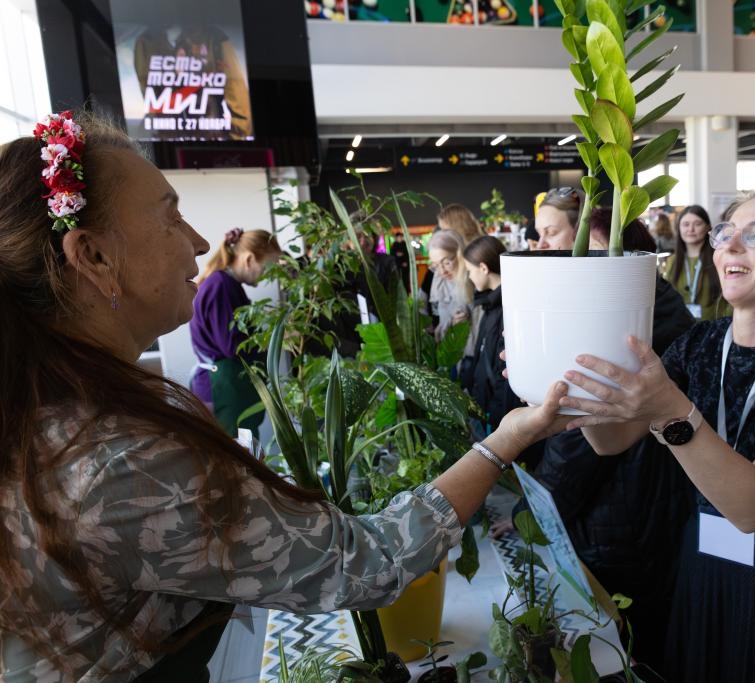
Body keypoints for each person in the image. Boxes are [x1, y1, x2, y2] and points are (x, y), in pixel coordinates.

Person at [0, 111, 568, 680]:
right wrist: (506, 439)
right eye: (171, 218)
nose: (198, 242)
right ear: (94, 257)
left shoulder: (47, 418)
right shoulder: (122, 464)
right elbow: (367, 562)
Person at [557, 188, 755, 681]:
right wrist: (566, 381)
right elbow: (610, 442)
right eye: (726, 233)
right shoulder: (700, 342)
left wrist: (670, 410)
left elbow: (751, 508)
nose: (730, 246)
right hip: (700, 567)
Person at [527, 206, 693, 676]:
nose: (550, 249)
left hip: (625, 509)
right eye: (541, 236)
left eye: (592, 253)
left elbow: (584, 441)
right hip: (615, 507)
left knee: (628, 639)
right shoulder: (617, 309)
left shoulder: (643, 323)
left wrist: (542, 505)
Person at [189, 228, 281, 434]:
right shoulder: (220, 286)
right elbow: (233, 346)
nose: (268, 276)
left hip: (226, 385)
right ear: (249, 259)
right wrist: (274, 340)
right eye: (268, 267)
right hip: (223, 388)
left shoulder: (226, 284)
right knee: (236, 456)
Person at [461, 236, 520, 437]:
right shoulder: (492, 302)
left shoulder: (505, 306)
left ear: (484, 268)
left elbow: (503, 367)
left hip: (496, 413)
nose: (469, 277)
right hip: (489, 406)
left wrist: (496, 419)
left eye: (470, 271)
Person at [662, 205, 730, 321]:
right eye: (686, 224)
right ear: (678, 228)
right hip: (681, 330)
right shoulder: (671, 261)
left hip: (714, 330)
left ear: (708, 227)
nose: (691, 229)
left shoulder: (719, 258)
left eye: (697, 224)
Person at [426, 229, 471, 343]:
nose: (442, 271)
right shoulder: (440, 283)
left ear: (460, 254)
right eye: (435, 265)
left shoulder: (476, 280)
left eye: (447, 263)